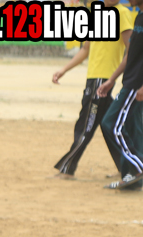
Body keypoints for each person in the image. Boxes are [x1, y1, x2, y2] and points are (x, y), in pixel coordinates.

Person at [52, 0, 133, 178]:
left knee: (85, 125)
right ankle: (128, 168)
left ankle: (67, 168)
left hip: (103, 81)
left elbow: (131, 49)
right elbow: (85, 49)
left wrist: (117, 77)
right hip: (93, 79)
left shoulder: (122, 13)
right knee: (109, 125)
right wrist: (64, 70)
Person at [98, 10, 143, 189]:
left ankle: (138, 167)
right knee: (132, 128)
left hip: (136, 85)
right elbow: (130, 54)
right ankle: (131, 178)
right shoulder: (139, 17)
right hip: (130, 82)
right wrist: (112, 79)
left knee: (111, 124)